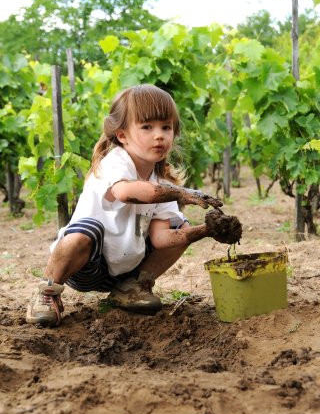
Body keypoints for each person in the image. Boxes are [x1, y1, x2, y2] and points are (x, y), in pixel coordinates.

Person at [26, 84, 226, 328]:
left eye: (166, 127)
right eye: (147, 127)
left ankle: (133, 287)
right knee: (84, 231)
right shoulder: (115, 163)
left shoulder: (160, 182)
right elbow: (127, 193)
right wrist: (184, 193)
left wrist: (205, 230)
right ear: (122, 136)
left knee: (179, 227)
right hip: (85, 265)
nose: (159, 135)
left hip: (124, 270)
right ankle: (48, 293)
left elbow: (163, 239)